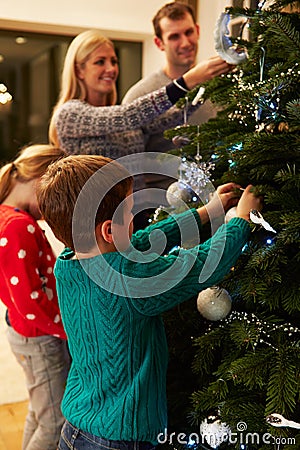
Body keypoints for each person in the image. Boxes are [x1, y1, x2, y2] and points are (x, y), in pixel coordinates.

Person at [37, 153, 262, 450]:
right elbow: (202, 264)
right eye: (130, 215)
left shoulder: (69, 263)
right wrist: (242, 221)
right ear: (107, 230)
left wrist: (203, 213)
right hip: (118, 439)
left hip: (78, 427)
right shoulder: (131, 281)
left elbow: (141, 240)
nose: (135, 222)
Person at [48, 29, 231, 228]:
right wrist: (186, 82)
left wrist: (204, 87)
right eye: (100, 62)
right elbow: (128, 115)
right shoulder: (70, 114)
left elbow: (165, 120)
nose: (110, 69)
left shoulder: (118, 115)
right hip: (99, 227)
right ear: (79, 70)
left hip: (141, 220)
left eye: (114, 61)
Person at [0, 144, 70, 450]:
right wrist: (66, 331)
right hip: (40, 338)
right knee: (55, 422)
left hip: (28, 332)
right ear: (39, 179)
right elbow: (30, 301)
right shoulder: (19, 226)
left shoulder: (7, 216)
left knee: (41, 413)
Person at [122, 2, 221, 191]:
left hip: (221, 201)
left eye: (188, 32)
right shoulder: (140, 95)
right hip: (163, 208)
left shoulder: (219, 86)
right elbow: (129, 165)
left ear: (198, 30)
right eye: (174, 36)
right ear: (159, 43)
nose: (185, 42)